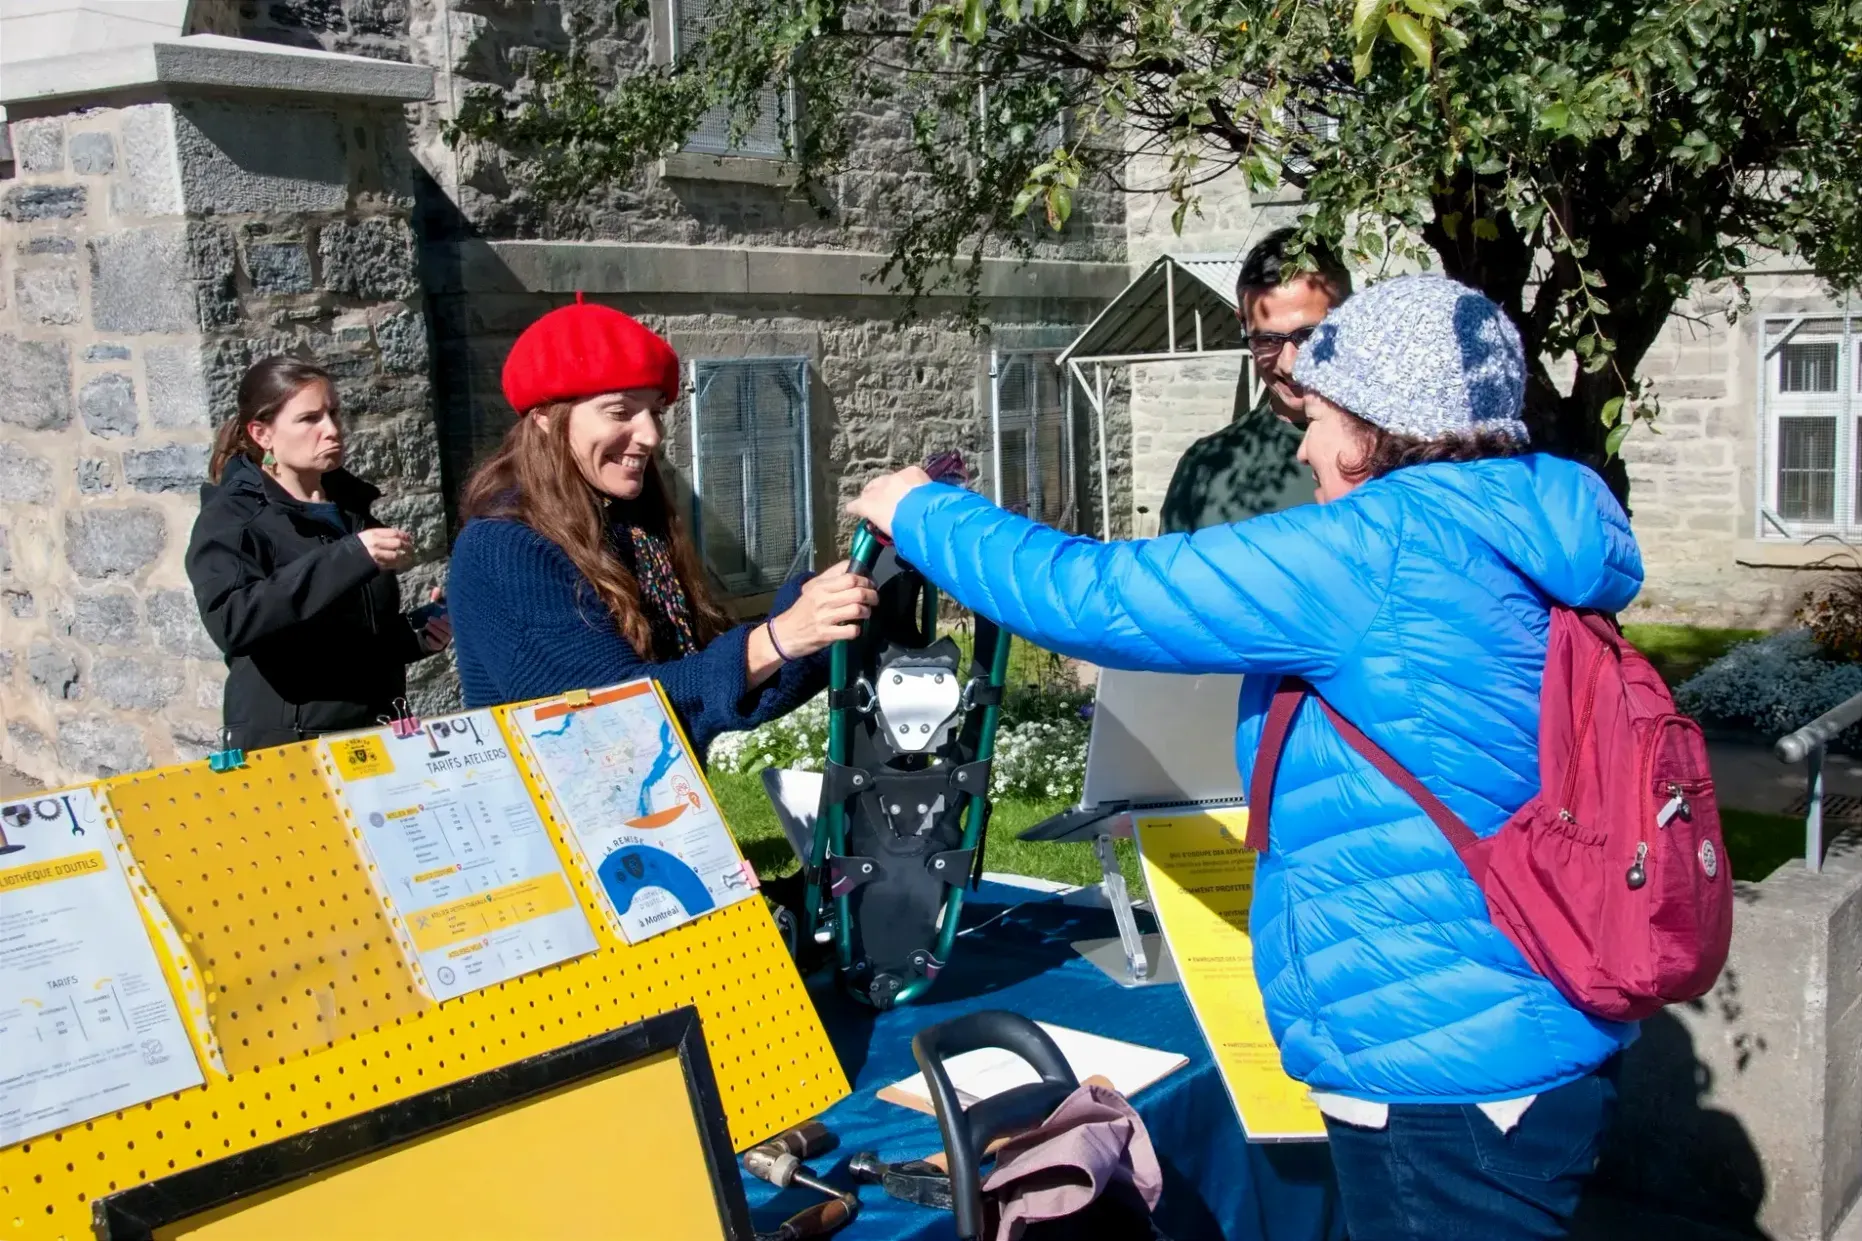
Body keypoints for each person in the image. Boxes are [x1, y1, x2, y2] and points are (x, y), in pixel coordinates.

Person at [848, 274, 1639, 1240]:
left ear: (1382, 423)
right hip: (1527, 1027)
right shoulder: (1524, 519)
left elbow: (1094, 596)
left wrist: (923, 510)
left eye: (1324, 413)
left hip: (1439, 1077)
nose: (1303, 443)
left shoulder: (1377, 548)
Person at [445, 297, 875, 760]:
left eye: (655, 411)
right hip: (555, 826)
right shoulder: (504, 545)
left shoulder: (630, 529)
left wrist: (823, 617)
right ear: (546, 418)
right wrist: (775, 640)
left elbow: (705, 697)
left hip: (650, 819)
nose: (650, 434)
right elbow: (605, 713)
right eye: (620, 411)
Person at [187, 357, 452, 751]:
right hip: (290, 747)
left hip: (377, 736)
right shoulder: (232, 518)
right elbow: (233, 623)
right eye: (310, 419)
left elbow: (341, 640)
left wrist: (415, 636)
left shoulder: (349, 510)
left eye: (333, 413)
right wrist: (349, 556)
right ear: (262, 434)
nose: (331, 430)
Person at [1157, 227, 1352, 533]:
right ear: (1242, 325)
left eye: (1310, 335)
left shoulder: (1408, 455)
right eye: (1268, 339)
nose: (1291, 365)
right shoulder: (1205, 471)